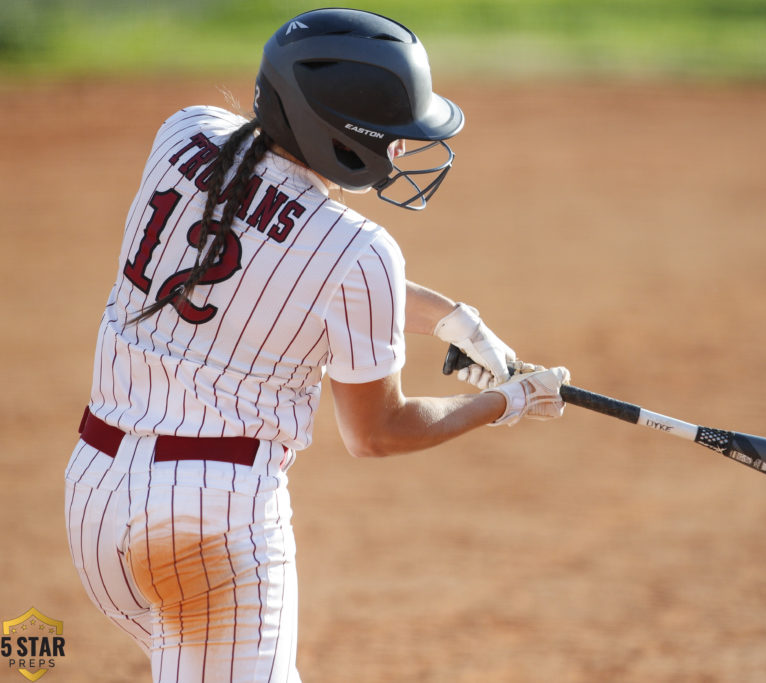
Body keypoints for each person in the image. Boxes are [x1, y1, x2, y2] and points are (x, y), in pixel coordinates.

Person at [63, 8, 570, 681]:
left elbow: (274, 260)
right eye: (392, 134)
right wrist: (505, 402)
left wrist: (454, 318)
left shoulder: (184, 135)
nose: (400, 150)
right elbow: (378, 432)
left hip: (94, 499)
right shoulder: (360, 252)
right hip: (207, 527)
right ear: (342, 136)